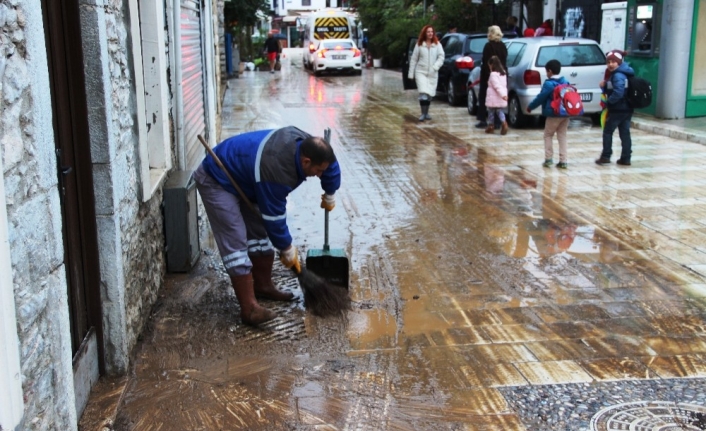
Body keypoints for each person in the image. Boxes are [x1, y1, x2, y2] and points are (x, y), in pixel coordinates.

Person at [193, 126, 341, 326]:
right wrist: (287, 248)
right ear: (306, 162)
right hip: (218, 178)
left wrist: (330, 191)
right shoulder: (277, 169)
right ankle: (249, 309)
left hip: (250, 180)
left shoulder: (311, 148)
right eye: (317, 171)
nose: (319, 175)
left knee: (258, 233)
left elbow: (329, 165)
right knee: (235, 240)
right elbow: (274, 218)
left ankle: (263, 286)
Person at [526, 59, 570, 169]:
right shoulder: (566, 82)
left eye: (546, 71)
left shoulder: (549, 84)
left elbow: (540, 98)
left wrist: (530, 107)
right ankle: (563, 161)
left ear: (549, 71)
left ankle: (549, 159)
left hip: (553, 114)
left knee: (548, 135)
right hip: (565, 113)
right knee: (562, 136)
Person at [595, 50, 635, 166]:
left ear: (619, 62)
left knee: (608, 131)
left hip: (618, 108)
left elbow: (618, 91)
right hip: (627, 108)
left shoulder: (618, 75)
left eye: (613, 62)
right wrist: (606, 84)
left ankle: (606, 156)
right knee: (625, 133)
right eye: (608, 62)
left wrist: (609, 102)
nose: (610, 64)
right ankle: (626, 158)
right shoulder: (626, 72)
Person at [408, 25, 445, 122]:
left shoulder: (437, 45)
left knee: (429, 94)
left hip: (432, 73)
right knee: (423, 92)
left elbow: (441, 57)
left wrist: (435, 66)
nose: (430, 33)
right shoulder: (419, 44)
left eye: (432, 32)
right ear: (425, 33)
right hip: (421, 72)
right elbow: (414, 59)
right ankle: (423, 113)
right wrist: (411, 73)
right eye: (428, 32)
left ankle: (427, 112)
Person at [475, 25, 508, 129]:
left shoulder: (488, 46)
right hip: (501, 74)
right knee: (498, 97)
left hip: (489, 75)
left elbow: (486, 62)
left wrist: (485, 75)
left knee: (485, 97)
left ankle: (483, 120)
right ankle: (498, 121)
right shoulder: (503, 46)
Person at [484, 55, 509, 135]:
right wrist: (503, 95)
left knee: (491, 112)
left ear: (492, 65)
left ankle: (491, 126)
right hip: (500, 98)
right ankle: (504, 123)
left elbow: (496, 85)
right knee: (499, 111)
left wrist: (503, 95)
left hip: (493, 98)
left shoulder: (493, 75)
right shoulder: (503, 73)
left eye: (489, 65)